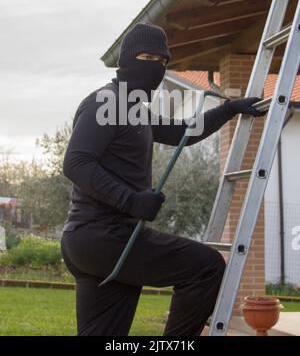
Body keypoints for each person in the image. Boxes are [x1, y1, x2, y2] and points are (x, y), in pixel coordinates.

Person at [61, 22, 264, 336]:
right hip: (103, 236)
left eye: (163, 62)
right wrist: (130, 200)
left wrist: (229, 109)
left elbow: (183, 132)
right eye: (147, 58)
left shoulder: (131, 109)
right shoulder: (106, 101)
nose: (156, 68)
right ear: (127, 60)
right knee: (206, 268)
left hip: (97, 242)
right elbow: (76, 162)